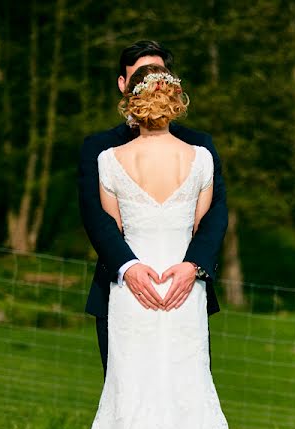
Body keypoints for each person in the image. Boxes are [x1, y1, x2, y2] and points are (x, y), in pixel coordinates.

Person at [77, 55, 283, 429]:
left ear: (133, 101)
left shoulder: (110, 161)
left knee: (134, 392)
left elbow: (113, 223)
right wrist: (180, 266)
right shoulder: (201, 158)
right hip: (179, 291)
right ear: (175, 101)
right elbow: (201, 220)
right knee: (185, 392)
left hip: (137, 295)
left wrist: (147, 266)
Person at [78, 40, 225, 376]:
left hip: (185, 288)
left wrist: (194, 266)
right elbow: (95, 218)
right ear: (123, 85)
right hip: (122, 289)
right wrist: (127, 266)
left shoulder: (200, 145)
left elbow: (216, 213)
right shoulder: (99, 148)